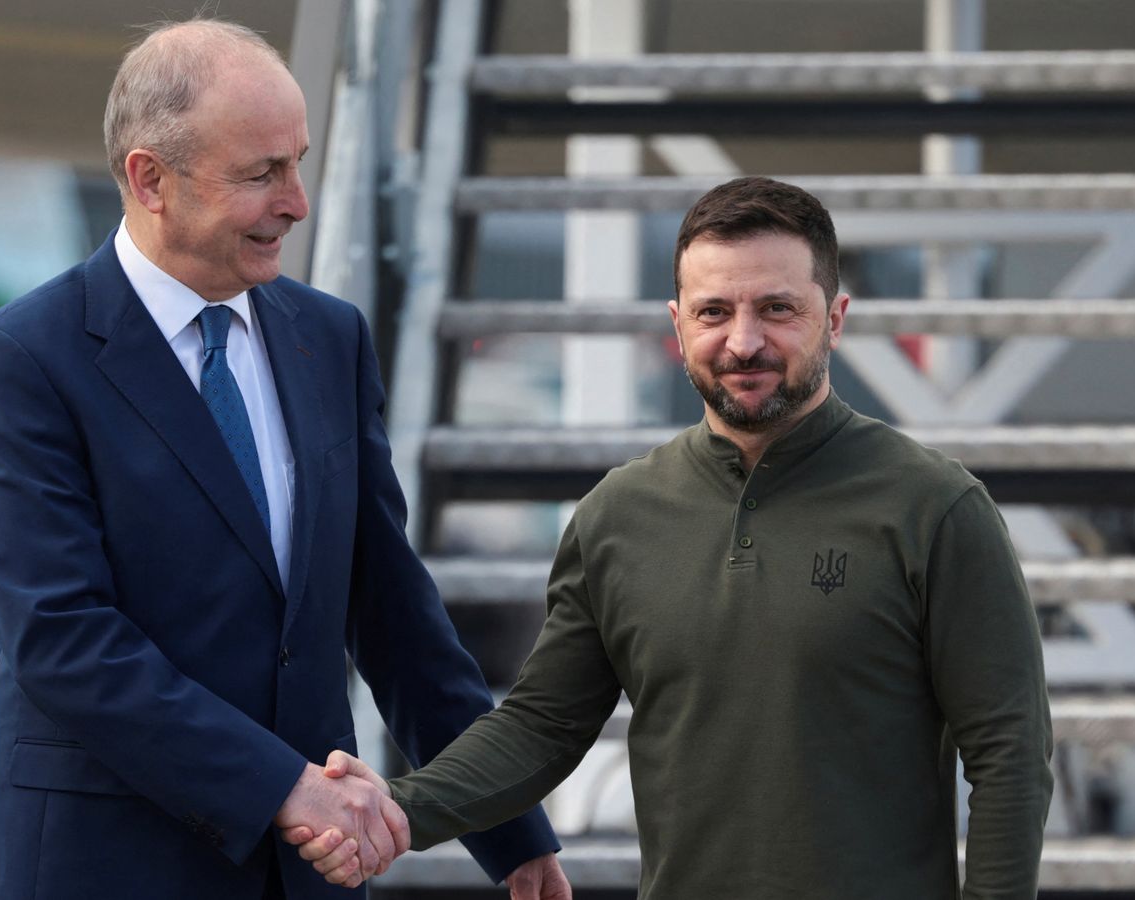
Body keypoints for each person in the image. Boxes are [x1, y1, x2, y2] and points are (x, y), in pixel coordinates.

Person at [289, 176, 1054, 898]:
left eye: (778, 309)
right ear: (678, 323)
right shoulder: (618, 516)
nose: (743, 341)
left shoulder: (936, 508)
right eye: (714, 311)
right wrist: (398, 808)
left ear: (836, 318)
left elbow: (1010, 753)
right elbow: (542, 727)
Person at [0, 18, 566, 899]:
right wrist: (284, 786)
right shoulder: (20, 362)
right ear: (149, 179)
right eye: (261, 173)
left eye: (300, 162)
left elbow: (392, 609)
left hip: (298, 876)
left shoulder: (329, 337)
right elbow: (64, 640)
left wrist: (512, 830)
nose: (298, 202)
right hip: (100, 863)